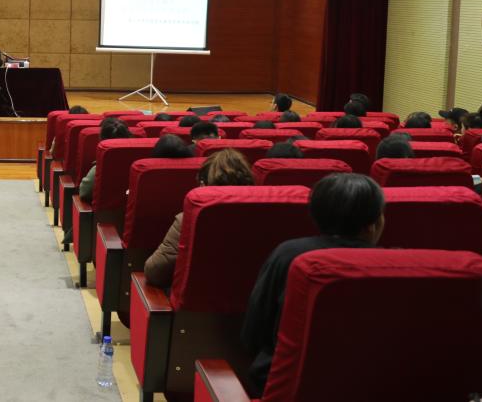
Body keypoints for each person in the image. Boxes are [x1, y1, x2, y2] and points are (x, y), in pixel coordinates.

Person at [242, 173, 385, 396]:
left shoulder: (288, 254)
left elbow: (254, 333)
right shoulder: (395, 265)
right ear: (373, 224)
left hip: (287, 387)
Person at [144, 149, 255, 290]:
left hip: (196, 301)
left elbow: (154, 272)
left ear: (203, 186)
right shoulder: (266, 217)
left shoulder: (190, 220)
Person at [79, 118, 131, 203]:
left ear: (102, 140)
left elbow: (84, 192)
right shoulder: (138, 163)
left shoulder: (100, 168)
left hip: (106, 211)